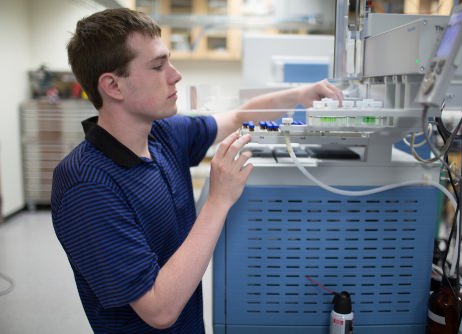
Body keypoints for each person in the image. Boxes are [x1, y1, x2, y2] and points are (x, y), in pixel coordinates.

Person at [51, 7, 343, 334]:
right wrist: (219, 200)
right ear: (114, 86)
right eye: (158, 66)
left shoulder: (162, 134)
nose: (175, 75)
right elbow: (159, 310)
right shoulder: (86, 184)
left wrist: (300, 95)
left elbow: (237, 118)